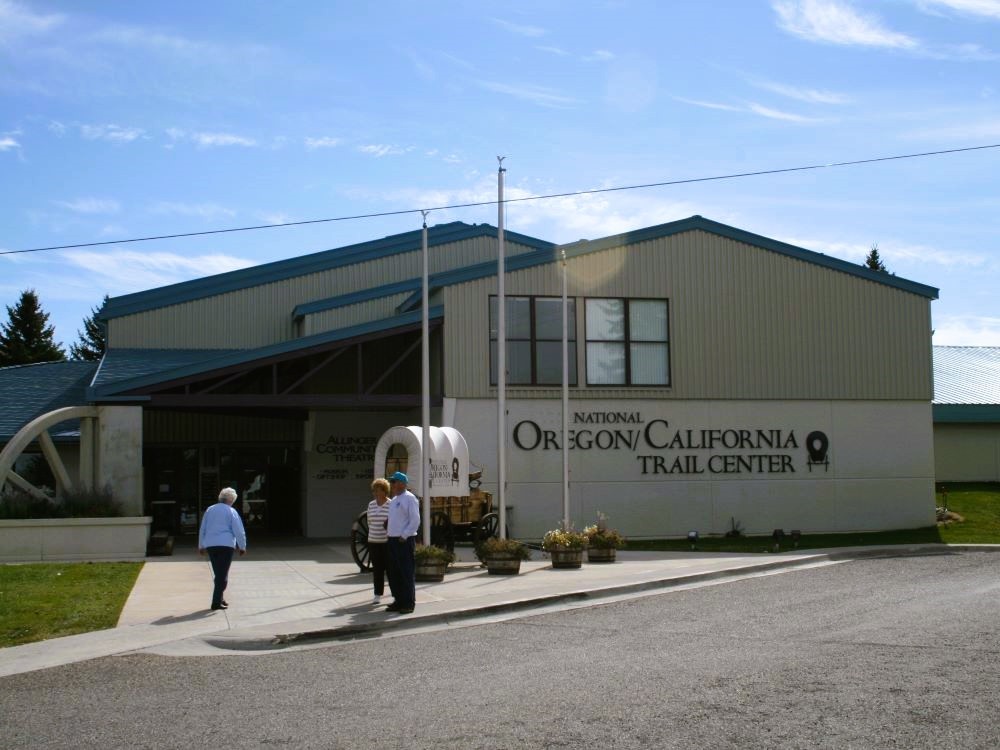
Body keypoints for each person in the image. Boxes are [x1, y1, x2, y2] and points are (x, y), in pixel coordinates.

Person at [198, 487, 247, 611]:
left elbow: (203, 528)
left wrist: (201, 545)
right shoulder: (231, 511)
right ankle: (216, 602)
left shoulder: (210, 509)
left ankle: (220, 598)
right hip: (226, 545)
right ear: (231, 500)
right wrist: (242, 546)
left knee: (219, 574)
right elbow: (239, 530)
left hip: (211, 545)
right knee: (222, 575)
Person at [385, 470, 420, 614]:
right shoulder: (394, 500)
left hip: (403, 540)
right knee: (394, 573)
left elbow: (415, 520)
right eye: (392, 482)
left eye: (394, 482)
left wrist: (404, 535)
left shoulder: (410, 498)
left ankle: (408, 602)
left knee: (406, 572)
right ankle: (398, 600)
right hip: (392, 539)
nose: (392, 484)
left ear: (402, 483)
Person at [366, 477, 392, 604]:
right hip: (373, 541)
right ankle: (377, 594)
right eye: (374, 490)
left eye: (378, 490)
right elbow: (369, 522)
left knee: (391, 569)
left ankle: (395, 593)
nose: (376, 493)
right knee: (377, 570)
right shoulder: (371, 504)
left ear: (384, 491)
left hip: (386, 542)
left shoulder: (391, 504)